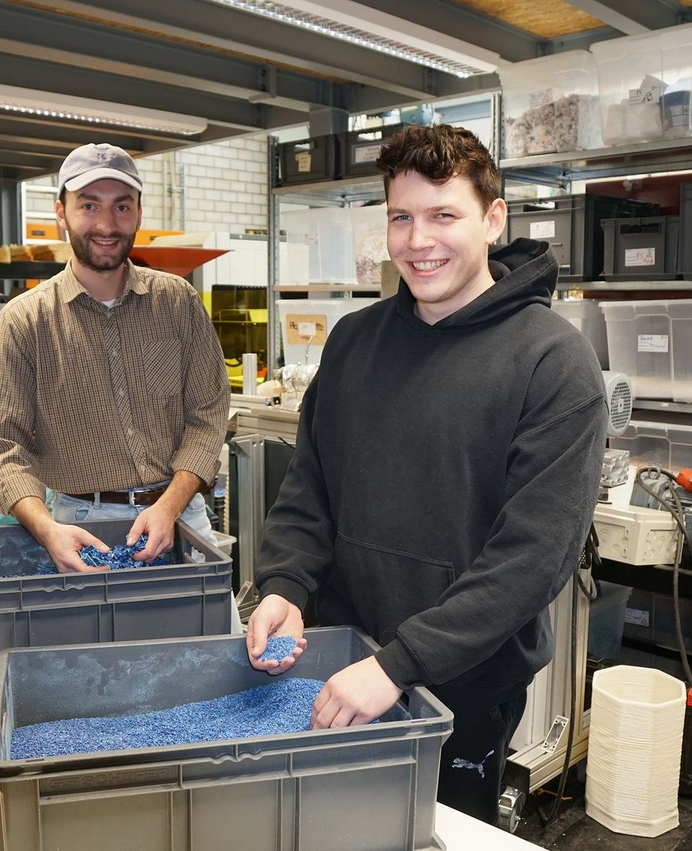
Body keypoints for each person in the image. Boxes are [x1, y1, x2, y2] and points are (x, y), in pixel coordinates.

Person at [246, 124, 607, 824]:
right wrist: (285, 585)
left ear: (492, 219)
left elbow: (530, 560)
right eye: (401, 217)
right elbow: (310, 487)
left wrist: (396, 665)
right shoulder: (354, 341)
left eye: (444, 215)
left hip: (462, 688)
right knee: (327, 829)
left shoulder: (552, 364)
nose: (418, 240)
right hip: (339, 659)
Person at [0, 143, 230, 574]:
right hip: (80, 528)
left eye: (121, 206)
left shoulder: (177, 302)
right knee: (95, 644)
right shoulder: (26, 320)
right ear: (61, 213)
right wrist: (45, 529)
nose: (106, 224)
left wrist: (169, 506)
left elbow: (208, 415)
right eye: (89, 205)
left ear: (138, 213)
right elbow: (3, 445)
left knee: (209, 639)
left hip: (180, 515)